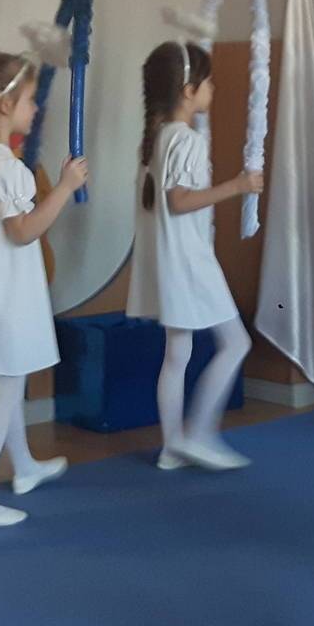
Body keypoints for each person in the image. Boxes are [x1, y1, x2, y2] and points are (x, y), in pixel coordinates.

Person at [0, 44, 88, 527]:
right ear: (4, 105)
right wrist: (64, 187)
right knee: (4, 394)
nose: (36, 107)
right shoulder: (4, 166)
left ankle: (23, 466)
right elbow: (23, 231)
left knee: (11, 382)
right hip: (5, 298)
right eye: (29, 99)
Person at [128, 40, 262, 470]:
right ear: (188, 90)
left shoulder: (157, 139)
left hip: (169, 259)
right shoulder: (185, 139)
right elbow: (180, 200)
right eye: (208, 82)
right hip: (189, 260)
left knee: (178, 352)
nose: (213, 89)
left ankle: (172, 446)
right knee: (236, 342)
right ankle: (200, 433)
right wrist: (237, 186)